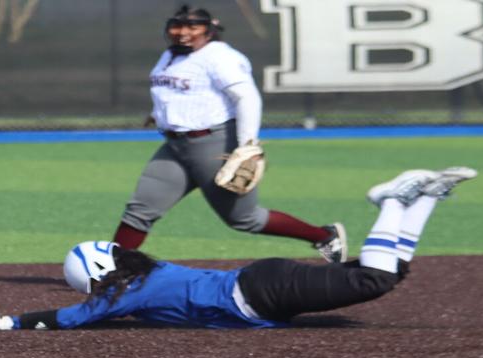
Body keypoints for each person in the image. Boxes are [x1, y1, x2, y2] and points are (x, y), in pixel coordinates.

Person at [0, 167, 476, 331]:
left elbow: (73, 317)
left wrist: (11, 322)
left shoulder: (132, 293)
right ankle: (426, 197)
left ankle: (393, 200)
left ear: (98, 277)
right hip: (262, 283)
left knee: (374, 279)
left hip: (264, 291)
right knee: (392, 270)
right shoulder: (148, 272)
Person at [111, 5, 347, 263]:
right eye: (177, 25)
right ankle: (110, 270)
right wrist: (159, 113)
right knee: (140, 210)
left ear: (210, 30)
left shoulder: (220, 56)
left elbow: (247, 98)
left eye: (193, 26)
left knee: (244, 219)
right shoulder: (171, 54)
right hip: (175, 146)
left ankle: (324, 236)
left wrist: (247, 144)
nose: (183, 32)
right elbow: (173, 90)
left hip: (215, 145)